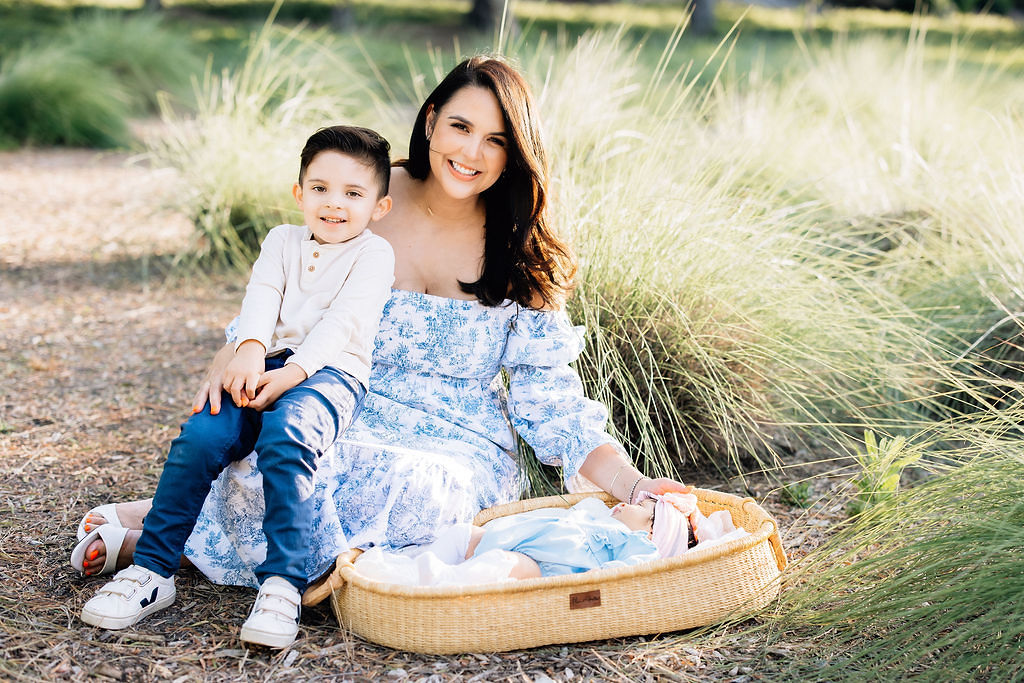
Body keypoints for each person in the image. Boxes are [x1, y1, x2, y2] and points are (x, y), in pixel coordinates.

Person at [73, 56, 691, 641]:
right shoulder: (363, 198)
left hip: (454, 439)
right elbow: (287, 296)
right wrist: (235, 348)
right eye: (460, 127)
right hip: (333, 402)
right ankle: (202, 544)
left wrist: (632, 483)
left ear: (515, 153)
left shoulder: (519, 248)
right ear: (430, 122)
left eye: (496, 140)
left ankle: (177, 534)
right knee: (279, 456)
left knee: (420, 490)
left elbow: (550, 400)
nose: (471, 153)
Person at [73, 125, 396, 649]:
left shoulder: (374, 254)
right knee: (201, 436)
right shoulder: (281, 240)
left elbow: (345, 323)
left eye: (353, 194)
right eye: (320, 188)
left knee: (288, 437)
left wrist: (292, 374)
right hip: (261, 358)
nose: (334, 204)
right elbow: (263, 294)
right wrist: (248, 348)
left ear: (379, 207)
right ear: (299, 193)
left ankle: (282, 584)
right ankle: (152, 571)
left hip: (329, 372)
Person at [352, 491, 747, 587]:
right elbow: (587, 498)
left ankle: (431, 580)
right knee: (462, 535)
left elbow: (627, 574)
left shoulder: (638, 548)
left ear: (649, 530)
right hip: (502, 536)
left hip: (538, 564)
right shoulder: (596, 512)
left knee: (500, 567)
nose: (622, 505)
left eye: (637, 507)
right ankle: (408, 564)